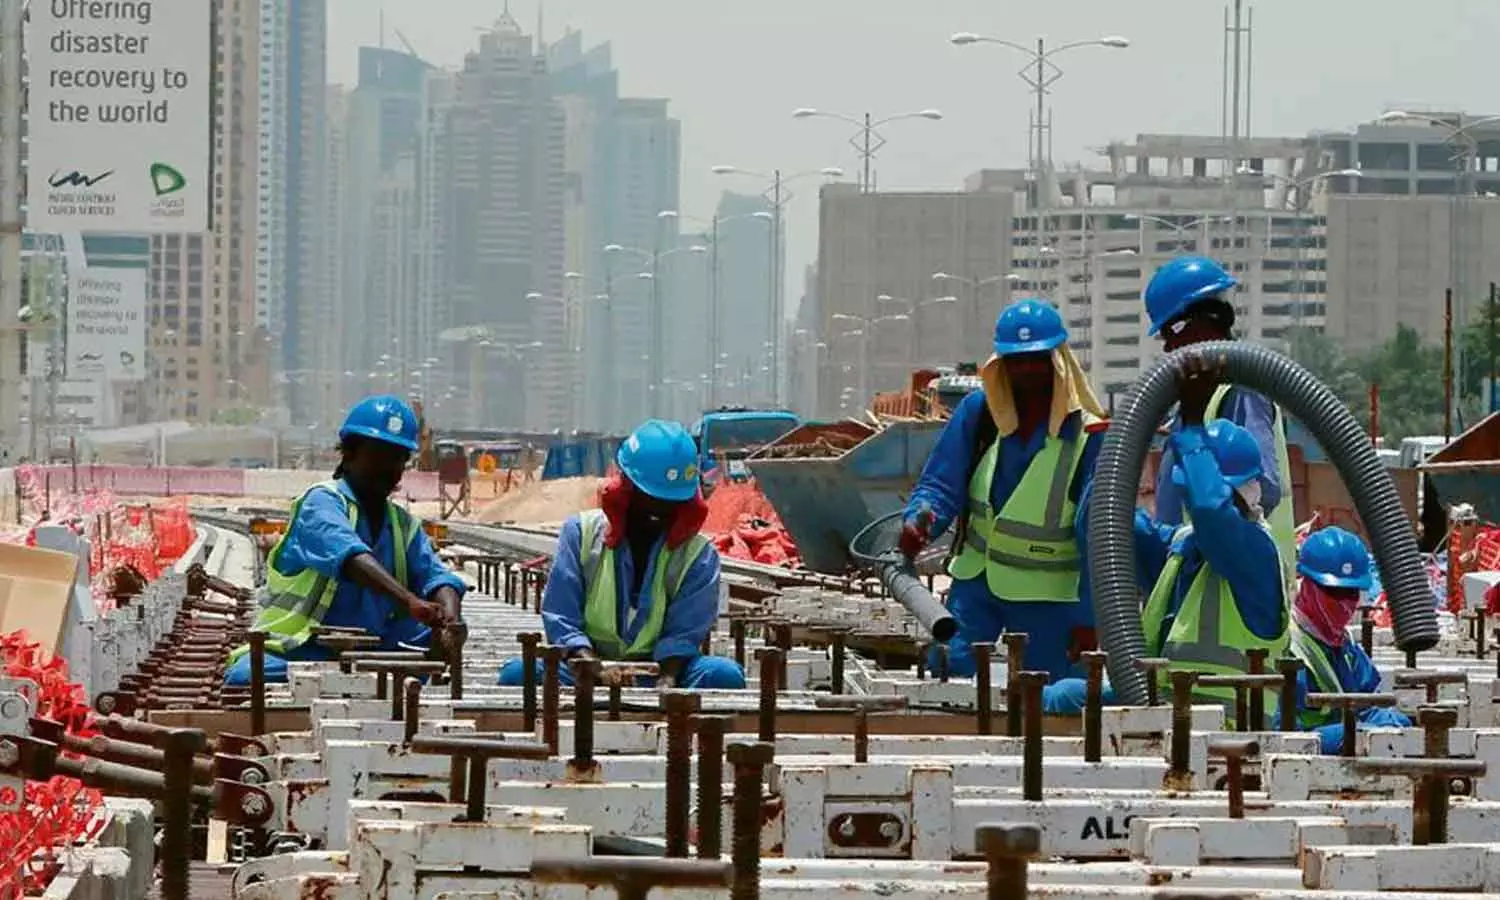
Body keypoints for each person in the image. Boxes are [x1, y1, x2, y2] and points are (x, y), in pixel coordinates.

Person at [898, 298, 1108, 682]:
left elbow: (1098, 536)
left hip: (1047, 599)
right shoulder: (980, 414)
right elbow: (941, 482)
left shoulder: (1088, 436)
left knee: (1045, 704)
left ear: (1057, 361)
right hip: (976, 587)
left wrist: (1089, 618)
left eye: (1036, 359)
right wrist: (920, 518)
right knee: (947, 678)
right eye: (1016, 361)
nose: (1026, 370)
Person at [223, 395, 462, 687]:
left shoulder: (402, 525)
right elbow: (350, 558)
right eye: (379, 454)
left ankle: (371, 678)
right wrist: (409, 600)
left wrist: (451, 620)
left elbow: (437, 577)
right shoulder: (321, 503)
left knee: (428, 642)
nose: (388, 467)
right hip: (304, 647)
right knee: (246, 677)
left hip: (376, 647)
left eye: (398, 458)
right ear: (350, 453)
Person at [497, 419, 745, 690]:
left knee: (723, 675)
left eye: (670, 503)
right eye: (652, 498)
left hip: (661, 673)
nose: (660, 511)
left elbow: (684, 633)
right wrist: (589, 665)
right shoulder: (582, 534)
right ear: (627, 488)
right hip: (585, 669)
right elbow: (562, 617)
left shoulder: (698, 556)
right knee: (519, 674)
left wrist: (667, 682)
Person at [1144, 256, 1296, 589]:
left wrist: (1210, 533)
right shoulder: (1195, 399)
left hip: (1233, 587)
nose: (1169, 345)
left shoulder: (1242, 390)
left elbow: (1260, 491)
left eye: (1173, 331)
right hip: (1190, 577)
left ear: (1204, 322)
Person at [1279, 526, 1410, 752]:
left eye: (1351, 593)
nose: (1344, 603)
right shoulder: (1290, 648)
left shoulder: (1345, 647)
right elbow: (1283, 736)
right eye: (1334, 592)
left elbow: (1368, 705)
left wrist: (1398, 723)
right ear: (1307, 585)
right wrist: (1351, 733)